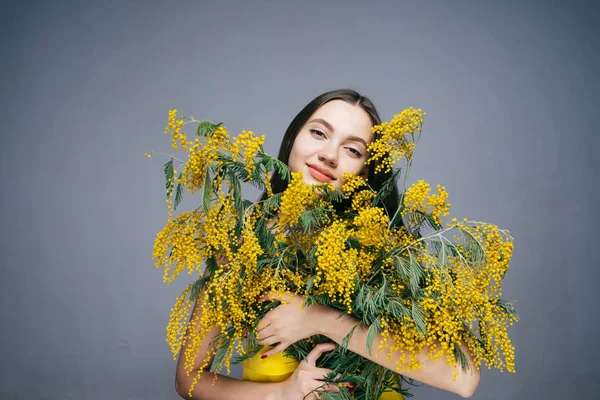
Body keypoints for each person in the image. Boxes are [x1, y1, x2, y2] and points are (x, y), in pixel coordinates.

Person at [174, 89, 480, 400]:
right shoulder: (242, 250)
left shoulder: (388, 254)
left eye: (353, 150)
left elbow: (464, 378)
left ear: (365, 171)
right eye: (319, 133)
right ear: (293, 137)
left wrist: (320, 319)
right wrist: (281, 395)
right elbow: (189, 380)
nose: (329, 155)